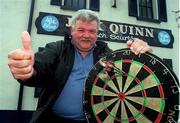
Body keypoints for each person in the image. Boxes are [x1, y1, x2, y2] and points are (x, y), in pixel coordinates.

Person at [8, 9, 152, 123]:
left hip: (93, 120)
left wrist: (138, 54)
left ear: (97, 34)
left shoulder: (107, 55)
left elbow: (126, 78)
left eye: (92, 31)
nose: (86, 35)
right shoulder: (57, 49)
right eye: (81, 30)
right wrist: (29, 70)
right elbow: (41, 68)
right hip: (53, 119)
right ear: (71, 31)